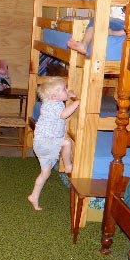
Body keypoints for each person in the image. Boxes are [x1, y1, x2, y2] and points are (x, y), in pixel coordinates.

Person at [27, 77, 80, 211]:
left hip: (43, 143)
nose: (66, 90)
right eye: (64, 89)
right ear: (55, 95)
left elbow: (63, 97)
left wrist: (69, 95)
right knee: (66, 143)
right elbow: (64, 115)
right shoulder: (52, 105)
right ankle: (68, 166)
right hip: (45, 142)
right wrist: (77, 102)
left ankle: (34, 196)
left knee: (45, 172)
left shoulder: (53, 100)